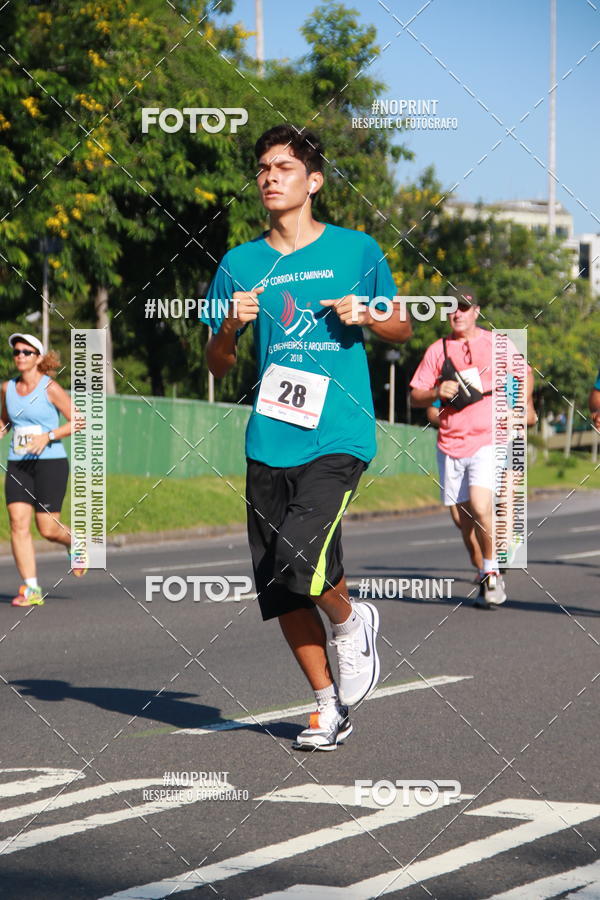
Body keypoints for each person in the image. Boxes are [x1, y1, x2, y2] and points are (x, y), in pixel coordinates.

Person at [202, 124, 411, 750]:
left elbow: (401, 326)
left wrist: (369, 314)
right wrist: (229, 329)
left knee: (299, 558)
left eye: (284, 167)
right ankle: (327, 706)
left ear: (313, 181)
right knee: (281, 582)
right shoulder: (239, 264)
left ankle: (352, 625)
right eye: (263, 167)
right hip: (270, 437)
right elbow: (215, 365)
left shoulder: (356, 250)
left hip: (338, 434)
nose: (270, 177)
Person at [410, 287, 532, 609]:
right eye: (452, 308)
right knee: (462, 521)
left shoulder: (497, 344)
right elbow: (416, 395)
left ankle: (492, 572)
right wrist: (437, 390)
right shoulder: (437, 350)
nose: (458, 313)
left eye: (464, 308)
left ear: (476, 311)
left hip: (488, 439)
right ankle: (482, 568)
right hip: (450, 444)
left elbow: (525, 374)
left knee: (481, 507)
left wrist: (524, 405)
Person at [0, 333, 87, 607]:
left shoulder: (50, 388)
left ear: (38, 357)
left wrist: (47, 436)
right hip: (19, 463)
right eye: (17, 352)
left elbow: (79, 421)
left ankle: (76, 543)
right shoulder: (6, 388)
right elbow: (5, 420)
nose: (20, 356)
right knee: (17, 523)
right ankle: (31, 588)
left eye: (26, 352)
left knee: (47, 528)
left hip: (51, 463)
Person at [426, 401, 483, 578]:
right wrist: (453, 419)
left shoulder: (487, 376)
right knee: (460, 520)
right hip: (449, 451)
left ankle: (486, 568)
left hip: (481, 448)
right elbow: (431, 412)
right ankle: (480, 562)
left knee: (481, 510)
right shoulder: (446, 378)